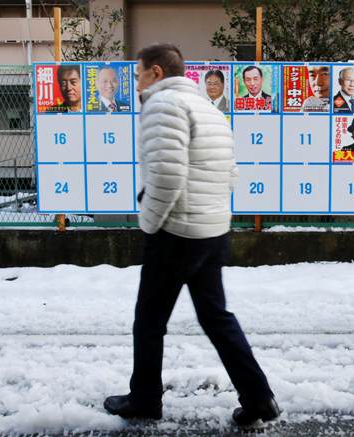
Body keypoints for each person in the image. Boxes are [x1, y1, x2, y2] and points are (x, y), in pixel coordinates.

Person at [103, 43, 280, 427]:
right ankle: (259, 398)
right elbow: (230, 172)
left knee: (149, 320)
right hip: (211, 229)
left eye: (138, 74)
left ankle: (145, 399)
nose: (136, 82)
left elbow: (166, 176)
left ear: (156, 72)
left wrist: (149, 223)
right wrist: (208, 211)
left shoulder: (163, 105)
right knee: (216, 317)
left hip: (176, 232)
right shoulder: (207, 108)